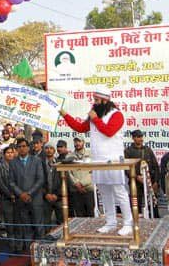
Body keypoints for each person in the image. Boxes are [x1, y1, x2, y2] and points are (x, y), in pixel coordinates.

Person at [60, 90, 133, 235]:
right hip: (98, 159)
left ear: (105, 100)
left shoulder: (116, 114)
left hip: (113, 160)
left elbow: (109, 131)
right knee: (104, 192)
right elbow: (80, 127)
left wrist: (95, 119)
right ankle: (111, 222)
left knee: (119, 191)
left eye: (97, 100)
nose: (94, 102)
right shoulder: (95, 115)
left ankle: (128, 223)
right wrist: (65, 114)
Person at [9, 137, 46, 250]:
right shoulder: (13, 163)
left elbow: (40, 179)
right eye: (19, 147)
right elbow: (11, 182)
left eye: (24, 146)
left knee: (39, 227)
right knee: (26, 228)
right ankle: (30, 256)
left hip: (35, 199)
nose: (22, 148)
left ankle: (41, 254)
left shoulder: (36, 161)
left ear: (28, 147)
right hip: (21, 200)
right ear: (17, 149)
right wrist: (21, 194)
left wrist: (29, 193)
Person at [124, 129, 159, 217]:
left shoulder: (148, 150)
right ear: (133, 138)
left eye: (141, 137)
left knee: (152, 205)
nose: (141, 139)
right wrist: (136, 177)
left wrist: (156, 182)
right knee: (136, 206)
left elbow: (156, 166)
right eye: (138, 137)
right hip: (135, 183)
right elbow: (126, 169)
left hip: (149, 181)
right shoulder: (128, 151)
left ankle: (154, 219)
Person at [0, 145, 18, 251]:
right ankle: (12, 246)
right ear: (4, 154)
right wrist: (10, 195)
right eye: (8, 153)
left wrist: (17, 194)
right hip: (6, 198)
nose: (10, 154)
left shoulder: (17, 164)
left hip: (18, 197)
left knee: (18, 222)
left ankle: (19, 245)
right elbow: (0, 184)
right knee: (9, 223)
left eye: (12, 152)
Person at [41, 143, 62, 225]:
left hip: (58, 197)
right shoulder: (40, 164)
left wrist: (57, 195)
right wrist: (46, 194)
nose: (49, 150)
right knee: (46, 222)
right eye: (46, 148)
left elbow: (63, 180)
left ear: (54, 150)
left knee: (61, 222)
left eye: (51, 148)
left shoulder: (60, 163)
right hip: (45, 197)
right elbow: (38, 181)